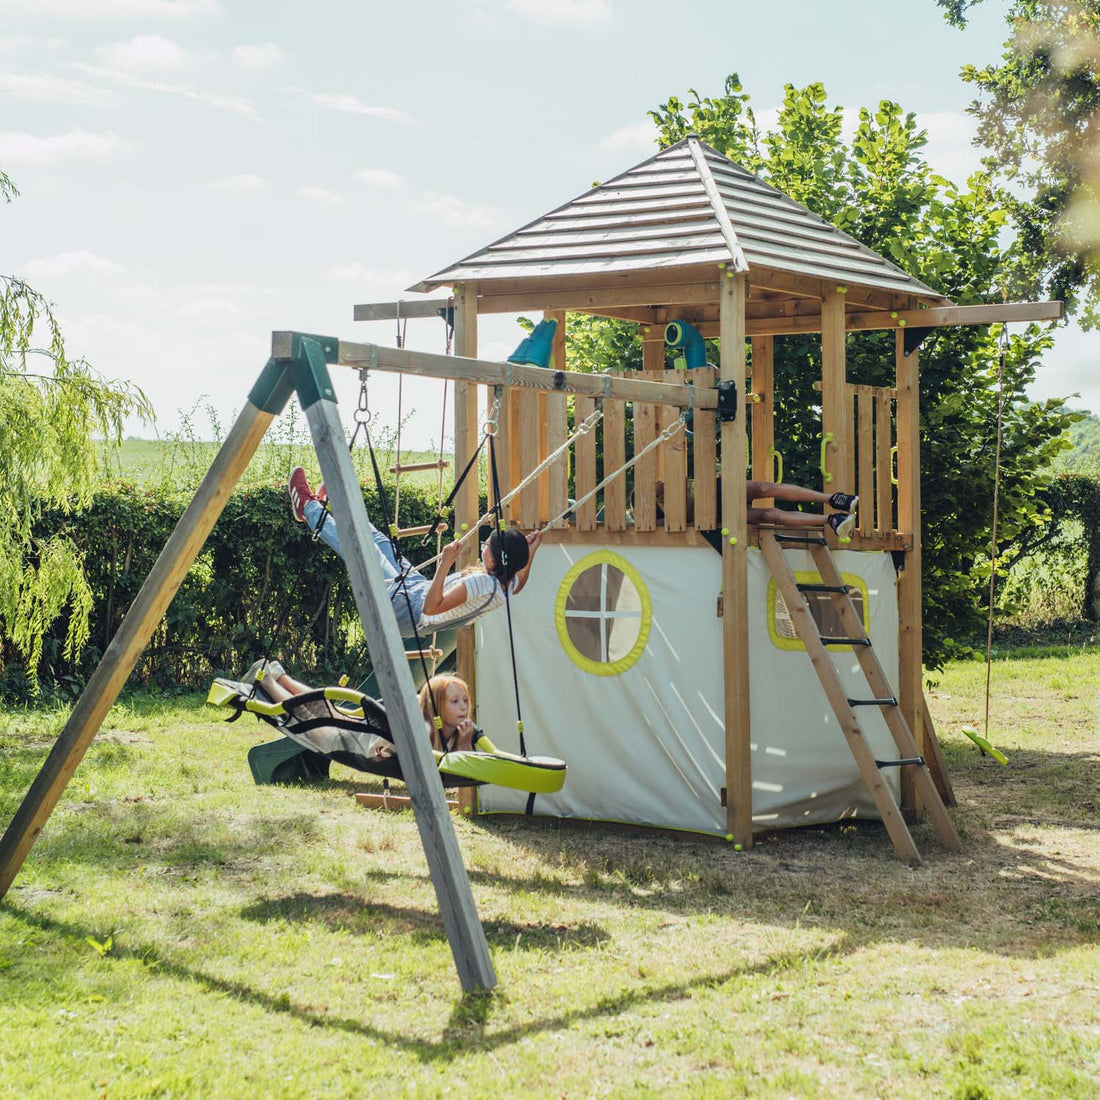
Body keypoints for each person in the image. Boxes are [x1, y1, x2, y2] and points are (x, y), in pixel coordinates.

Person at [287, 468, 542, 638]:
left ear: (497, 559)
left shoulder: (482, 583)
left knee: (364, 550)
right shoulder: (504, 585)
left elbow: (431, 609)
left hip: (404, 609)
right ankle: (335, 506)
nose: (484, 548)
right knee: (376, 540)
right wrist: (530, 554)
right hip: (415, 593)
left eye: (488, 547)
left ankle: (308, 508)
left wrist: (445, 563)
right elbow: (520, 583)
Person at [647, 479, 859, 539]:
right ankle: (832, 519)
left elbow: (663, 484)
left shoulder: (652, 487)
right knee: (769, 515)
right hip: (712, 513)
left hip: (715, 487)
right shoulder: (646, 515)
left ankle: (833, 498)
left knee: (765, 488)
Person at [418, 674, 478, 753]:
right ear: (435, 706)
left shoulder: (468, 736)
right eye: (455, 701)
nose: (463, 707)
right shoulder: (420, 738)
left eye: (465, 700)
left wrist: (465, 746)